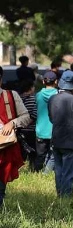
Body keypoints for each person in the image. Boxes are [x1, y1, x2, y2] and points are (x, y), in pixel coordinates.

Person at [48, 70, 73, 198]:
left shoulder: (52, 99)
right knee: (69, 172)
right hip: (70, 140)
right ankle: (66, 198)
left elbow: (51, 118)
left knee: (58, 171)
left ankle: (59, 195)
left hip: (56, 138)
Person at [0, 73, 30, 209]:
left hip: (5, 148)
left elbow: (26, 117)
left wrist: (12, 123)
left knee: (0, 186)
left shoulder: (10, 96)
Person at [33, 71, 59, 172]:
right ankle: (48, 173)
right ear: (56, 81)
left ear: (43, 81)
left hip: (41, 131)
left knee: (40, 156)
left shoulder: (38, 95)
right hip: (54, 131)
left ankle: (37, 173)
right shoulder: (58, 95)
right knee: (53, 155)